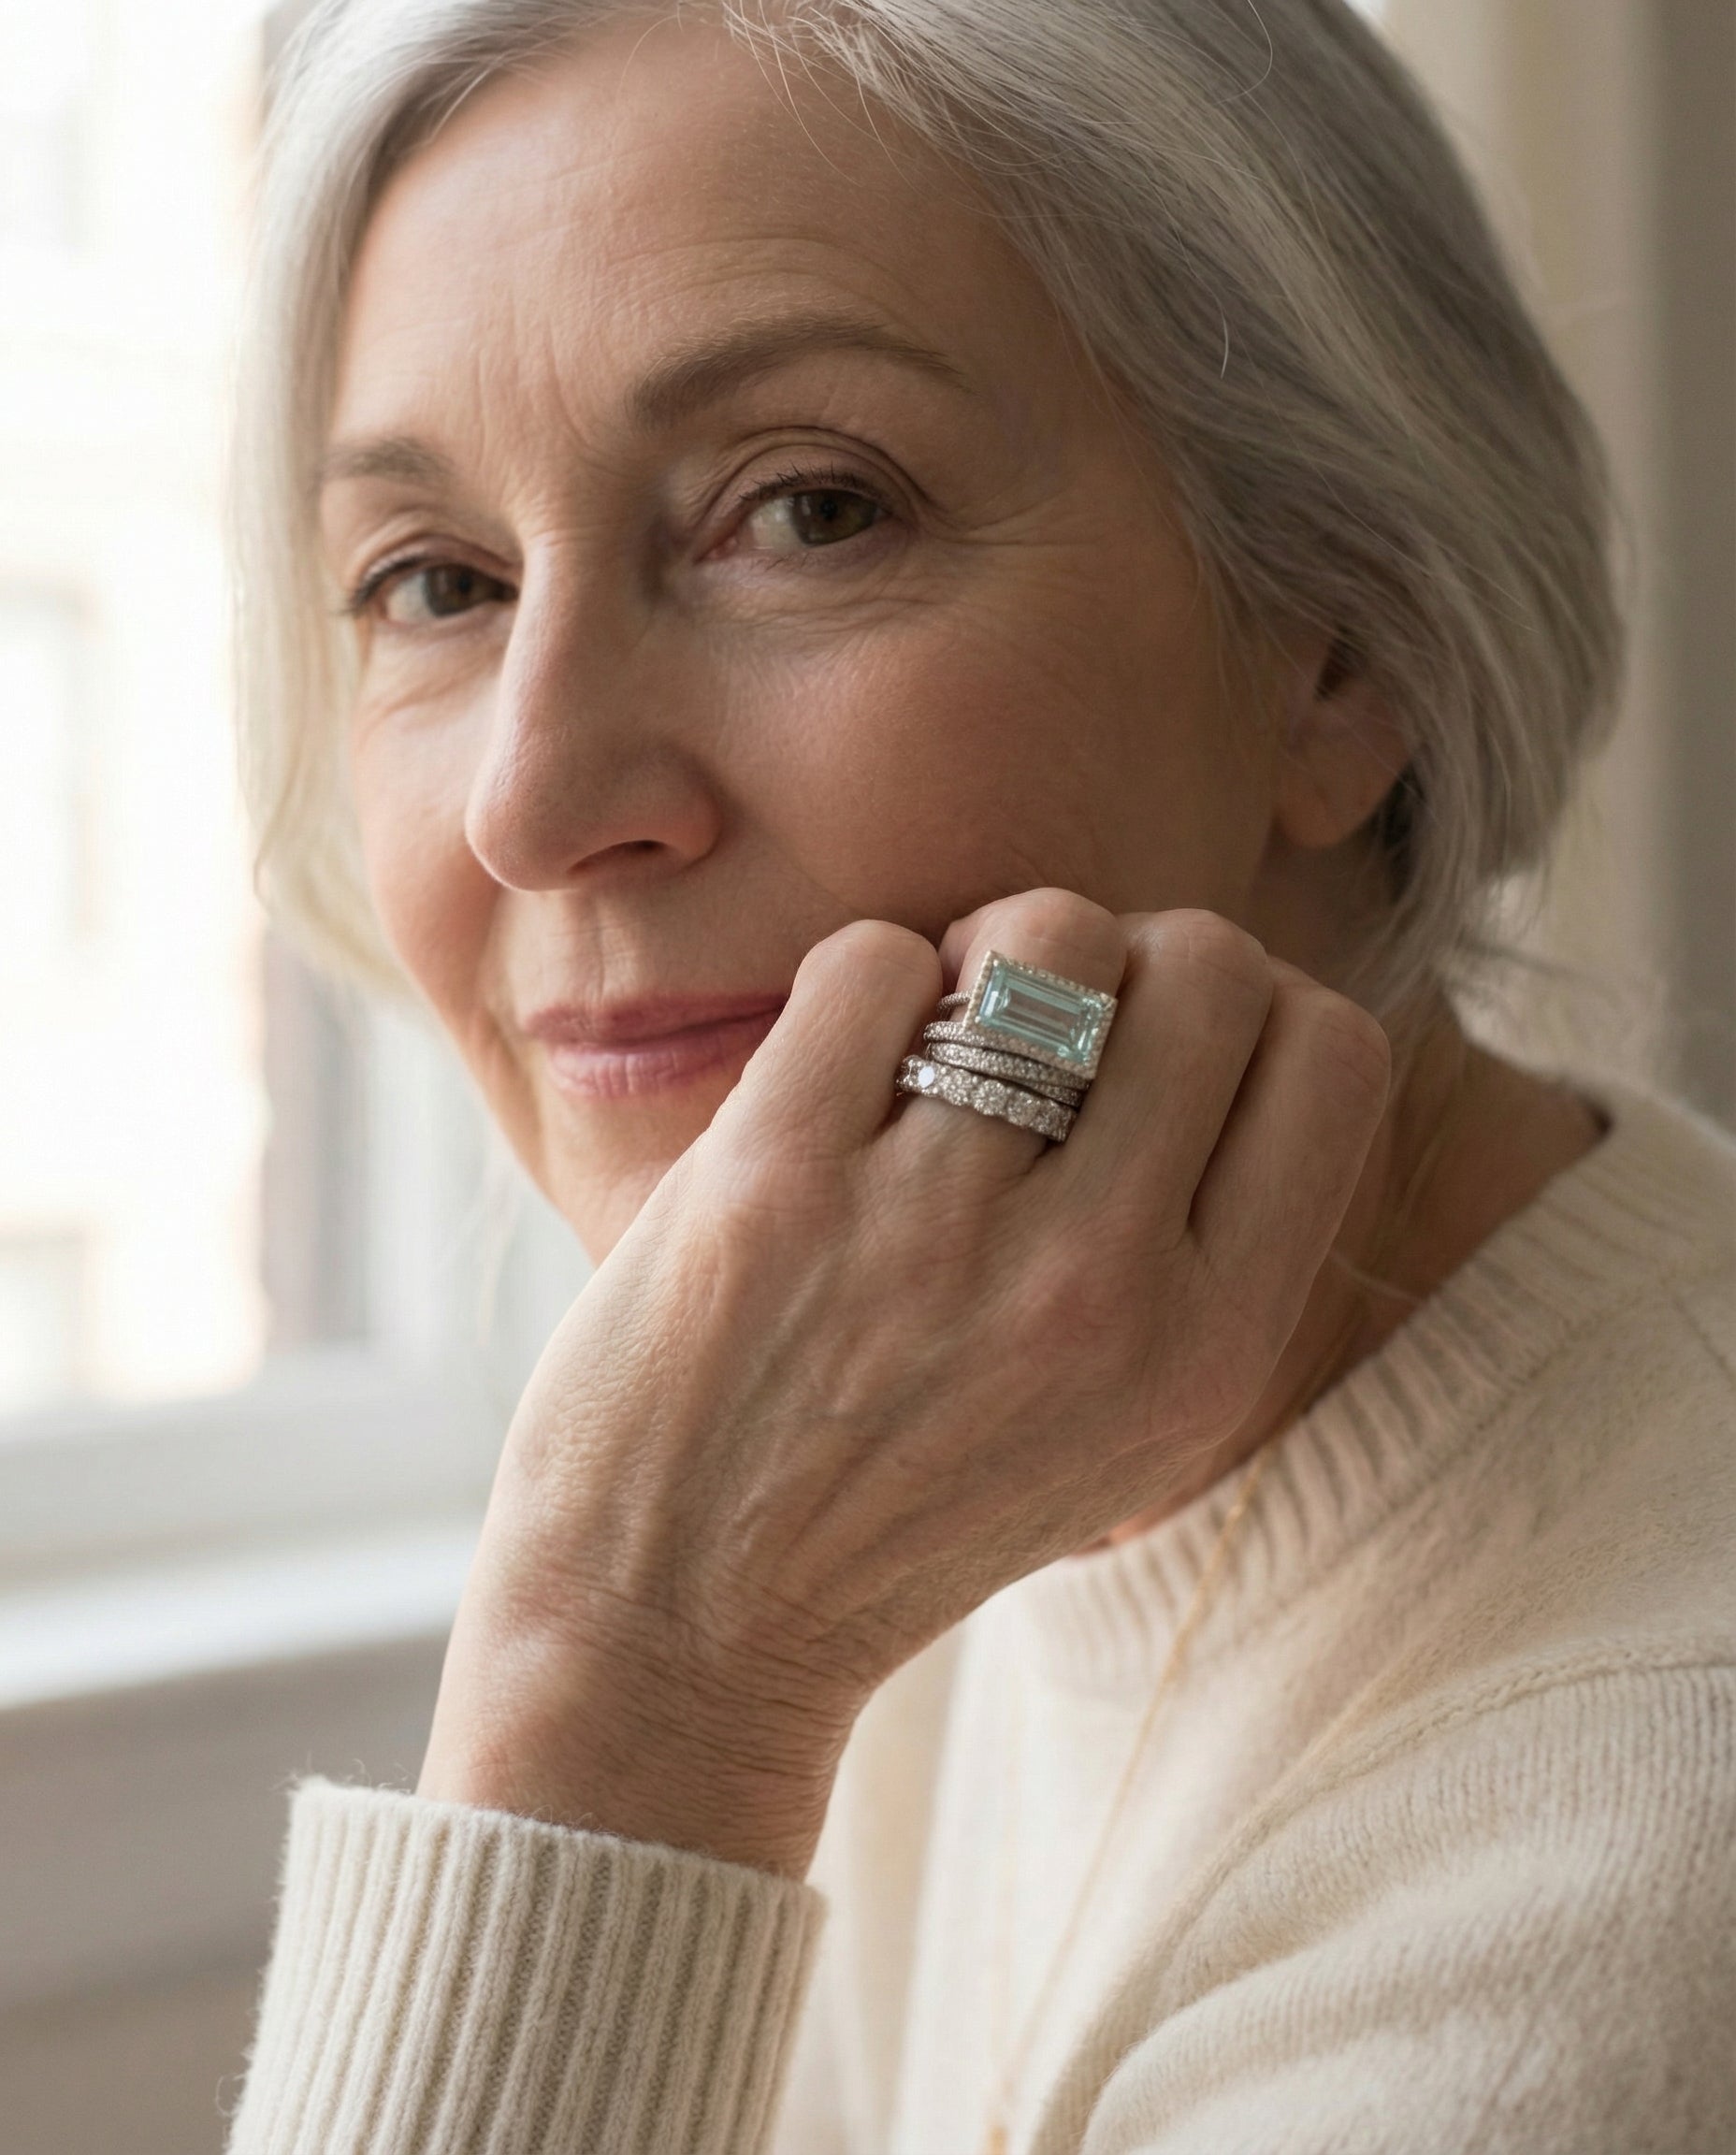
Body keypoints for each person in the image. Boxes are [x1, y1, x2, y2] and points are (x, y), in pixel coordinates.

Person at [224, 1, 1735, 2149]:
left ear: (1343, 637)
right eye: (435, 581)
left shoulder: (1642, 1872)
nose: (533, 797)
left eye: (806, 509)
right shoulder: (933, 1425)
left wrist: (631, 1694)